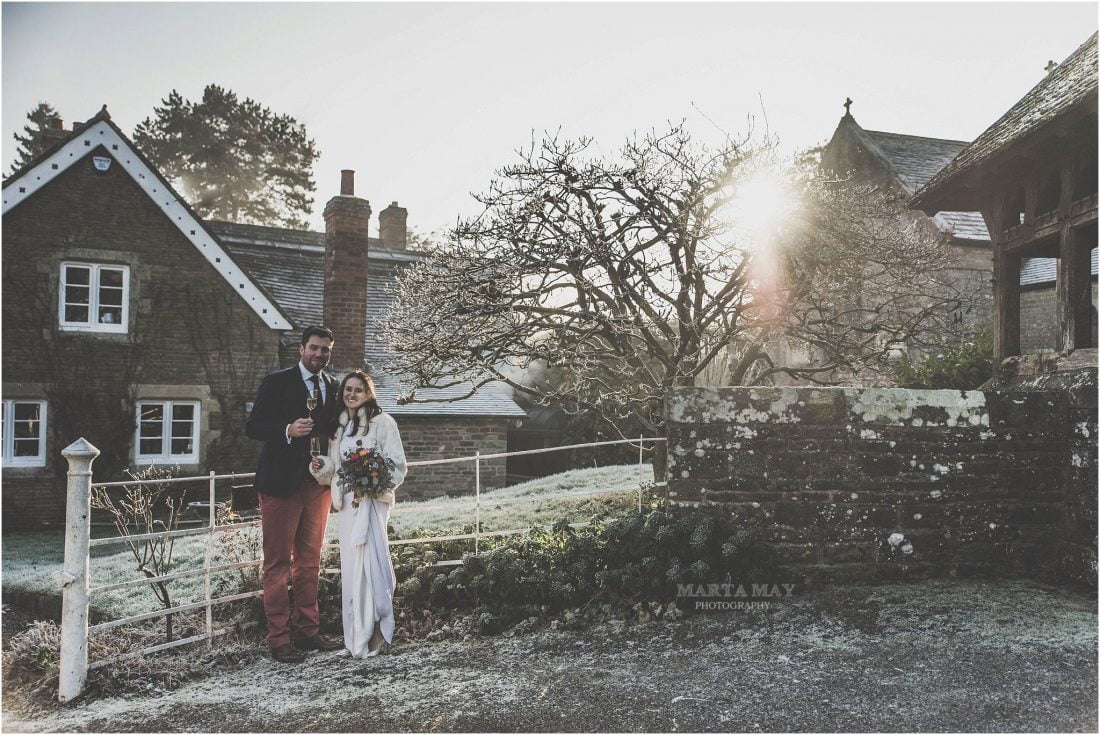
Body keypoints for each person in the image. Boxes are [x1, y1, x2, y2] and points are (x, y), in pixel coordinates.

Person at [245, 325, 345, 663]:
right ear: (301, 349)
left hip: (317, 486)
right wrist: (287, 430)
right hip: (279, 486)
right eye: (314, 348)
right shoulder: (277, 382)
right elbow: (253, 426)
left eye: (325, 350)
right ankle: (279, 639)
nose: (319, 354)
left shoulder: (332, 386)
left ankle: (309, 632)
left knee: (310, 561)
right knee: (276, 565)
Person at [310, 370, 407, 658]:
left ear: (368, 393)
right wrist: (322, 467)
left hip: (372, 502)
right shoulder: (340, 427)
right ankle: (355, 635)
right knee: (352, 567)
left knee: (372, 564)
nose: (351, 394)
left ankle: (378, 629)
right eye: (347, 390)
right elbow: (336, 469)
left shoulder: (383, 422)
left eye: (358, 390)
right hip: (348, 504)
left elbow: (397, 464)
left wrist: (373, 481)